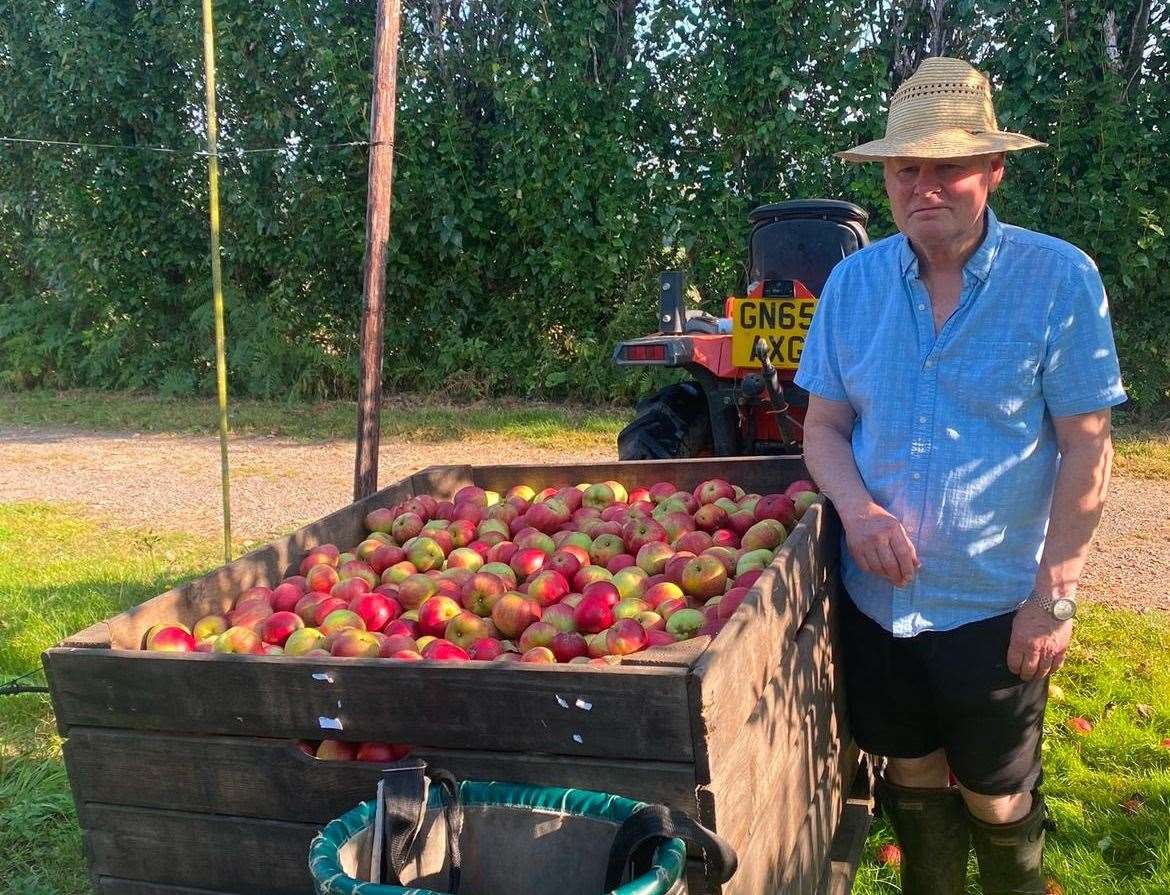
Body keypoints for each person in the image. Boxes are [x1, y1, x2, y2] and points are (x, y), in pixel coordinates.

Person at [795, 57, 1127, 894]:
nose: (924, 187)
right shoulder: (852, 283)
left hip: (996, 608)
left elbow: (1088, 449)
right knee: (909, 775)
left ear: (994, 169)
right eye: (908, 168)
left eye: (948, 166)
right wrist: (860, 511)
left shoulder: (1059, 281)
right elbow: (825, 428)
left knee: (998, 795)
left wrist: (1054, 596)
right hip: (879, 601)